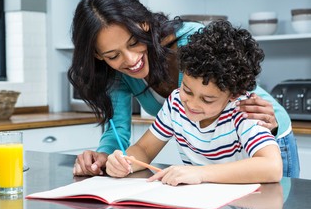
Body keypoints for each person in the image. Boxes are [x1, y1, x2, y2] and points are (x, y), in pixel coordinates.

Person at [68, 0, 299, 177]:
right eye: (112, 55)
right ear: (99, 56)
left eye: (133, 43)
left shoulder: (194, 50)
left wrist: (200, 173)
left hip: (263, 131)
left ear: (144, 25)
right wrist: (108, 160)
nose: (130, 60)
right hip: (209, 157)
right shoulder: (179, 102)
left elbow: (268, 165)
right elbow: (127, 135)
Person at [106, 20, 283, 185]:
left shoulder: (243, 112)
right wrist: (125, 161)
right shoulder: (175, 103)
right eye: (187, 90)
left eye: (207, 99)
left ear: (234, 95)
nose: (191, 104)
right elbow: (144, 149)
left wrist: (201, 173)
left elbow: (272, 167)